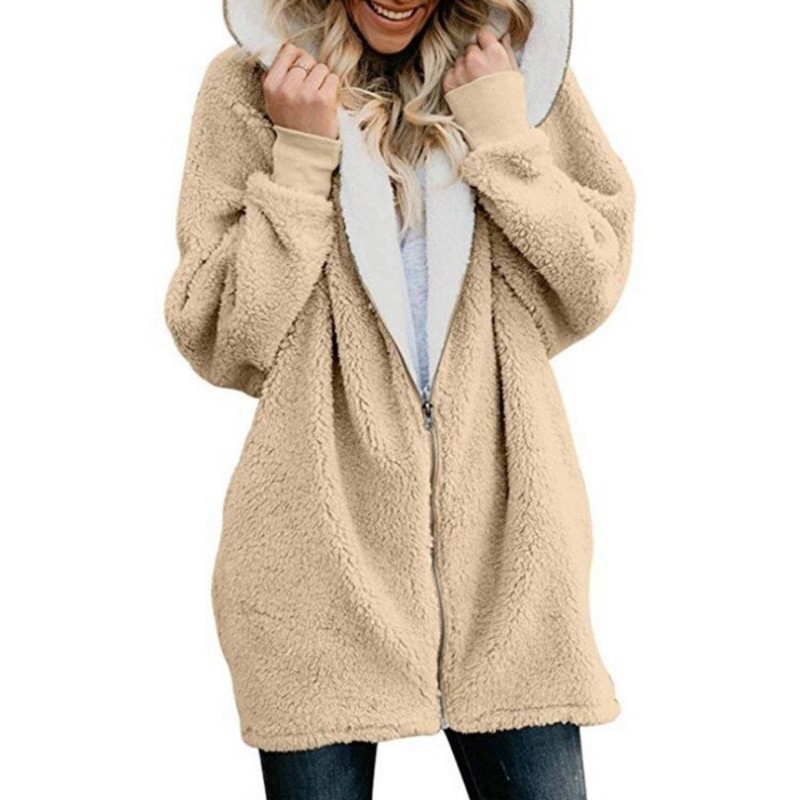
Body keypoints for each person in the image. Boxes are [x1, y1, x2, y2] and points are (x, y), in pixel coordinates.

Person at [164, 0, 635, 796]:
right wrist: (300, 155)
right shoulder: (250, 87)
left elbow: (586, 283)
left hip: (510, 554)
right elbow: (223, 335)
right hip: (314, 561)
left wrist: (501, 134)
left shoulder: (521, 78)